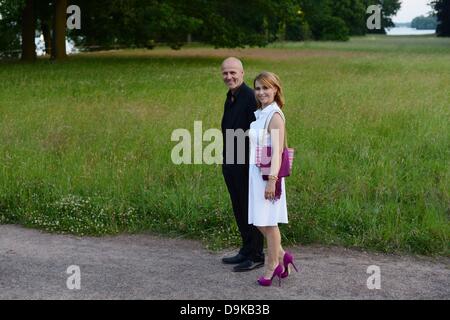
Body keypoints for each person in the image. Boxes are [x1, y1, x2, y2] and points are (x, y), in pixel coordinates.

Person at [248, 71, 298, 286]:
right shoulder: (261, 112)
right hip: (257, 173)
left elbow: (277, 151)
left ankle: (272, 266)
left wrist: (272, 180)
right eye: (258, 88)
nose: (261, 92)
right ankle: (283, 257)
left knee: (268, 223)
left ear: (276, 89)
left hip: (268, 175)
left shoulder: (275, 116)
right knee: (260, 222)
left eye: (266, 88)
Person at [220, 57, 265, 272]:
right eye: (225, 73)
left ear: (242, 73)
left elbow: (257, 134)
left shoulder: (249, 97)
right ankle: (245, 250)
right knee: (238, 207)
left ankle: (256, 255)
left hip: (246, 164)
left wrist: (250, 164)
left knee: (250, 209)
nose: (229, 77)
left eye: (233, 72)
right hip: (231, 162)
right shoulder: (230, 97)